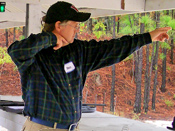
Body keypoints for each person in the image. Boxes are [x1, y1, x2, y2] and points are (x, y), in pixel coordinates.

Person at [7, 1, 171, 131]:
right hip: (43, 128)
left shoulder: (79, 50)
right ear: (59, 25)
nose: (77, 29)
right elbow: (16, 51)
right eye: (74, 25)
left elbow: (113, 48)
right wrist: (51, 39)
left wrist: (148, 37)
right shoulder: (36, 54)